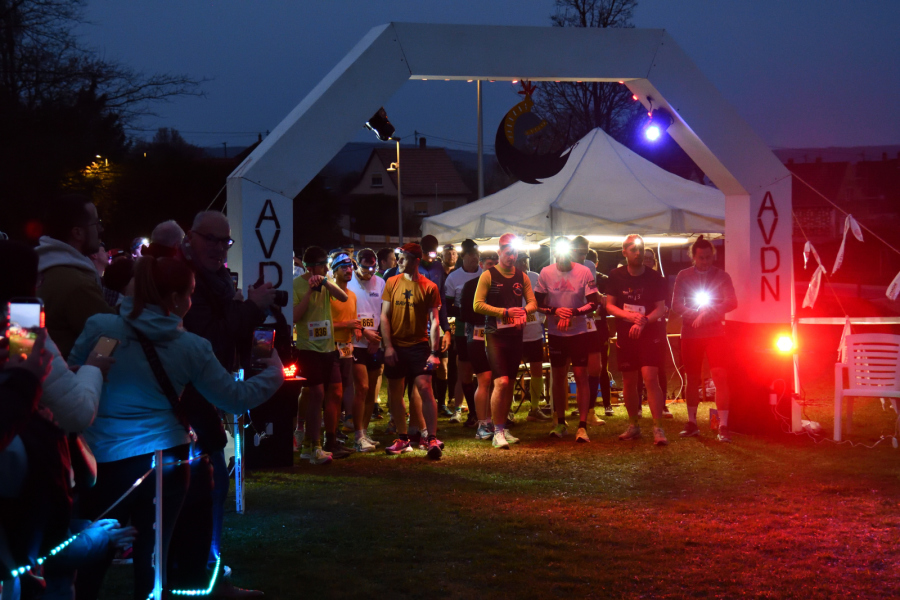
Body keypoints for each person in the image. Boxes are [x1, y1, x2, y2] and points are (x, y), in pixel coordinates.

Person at [69, 256, 283, 600]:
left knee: (92, 555)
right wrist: (274, 373)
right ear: (174, 299)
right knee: (155, 558)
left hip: (104, 459)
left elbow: (74, 375)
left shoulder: (103, 329)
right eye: (190, 294)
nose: (191, 302)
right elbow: (235, 398)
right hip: (165, 460)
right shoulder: (190, 347)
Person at [179, 211, 275, 594]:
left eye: (225, 241)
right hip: (187, 402)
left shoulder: (215, 280)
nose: (219, 248)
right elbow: (209, 340)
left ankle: (204, 572)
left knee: (209, 487)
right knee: (208, 487)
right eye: (211, 239)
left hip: (200, 399)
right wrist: (251, 308)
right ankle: (205, 575)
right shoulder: (189, 281)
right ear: (190, 237)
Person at [472, 234, 537, 449]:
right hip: (495, 335)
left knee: (509, 382)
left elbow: (533, 303)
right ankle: (496, 431)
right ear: (499, 252)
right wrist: (504, 312)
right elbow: (477, 305)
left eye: (514, 253)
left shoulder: (522, 276)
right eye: (508, 253)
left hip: (515, 335)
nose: (511, 257)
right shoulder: (488, 275)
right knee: (501, 382)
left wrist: (523, 312)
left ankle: (503, 426)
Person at [380, 243, 443, 459]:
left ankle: (431, 438)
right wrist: (388, 346)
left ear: (416, 261)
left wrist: (434, 352)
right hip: (396, 345)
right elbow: (384, 316)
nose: (399, 261)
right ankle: (403, 438)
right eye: (399, 257)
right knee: (395, 392)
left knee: (425, 388)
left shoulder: (429, 286)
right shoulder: (392, 282)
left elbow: (435, 321)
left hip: (419, 345)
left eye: (404, 258)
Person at [671, 236, 738, 442]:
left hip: (715, 333)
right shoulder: (684, 275)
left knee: (719, 375)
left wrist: (708, 313)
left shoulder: (722, 276)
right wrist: (695, 314)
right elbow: (676, 304)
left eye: (709, 257)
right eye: (701, 258)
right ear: (693, 257)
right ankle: (692, 423)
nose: (705, 262)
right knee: (692, 377)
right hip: (691, 333)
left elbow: (732, 301)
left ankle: (723, 425)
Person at [535, 239, 602, 443]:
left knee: (581, 375)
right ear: (554, 254)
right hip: (556, 333)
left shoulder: (584, 271)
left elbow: (593, 303)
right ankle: (561, 422)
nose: (564, 256)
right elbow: (537, 303)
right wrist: (556, 311)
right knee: (558, 376)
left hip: (579, 332)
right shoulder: (546, 272)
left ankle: (582, 426)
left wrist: (572, 313)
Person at [606, 234, 669, 446]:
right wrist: (629, 317)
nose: (638, 253)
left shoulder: (655, 277)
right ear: (624, 252)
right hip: (626, 333)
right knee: (629, 380)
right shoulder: (616, 275)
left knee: (650, 377)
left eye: (640, 249)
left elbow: (661, 308)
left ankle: (658, 427)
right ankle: (633, 425)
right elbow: (609, 305)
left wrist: (643, 321)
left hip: (649, 333)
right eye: (633, 249)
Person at [35, 194, 114, 359]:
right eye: (96, 223)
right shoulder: (77, 285)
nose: (101, 230)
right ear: (77, 233)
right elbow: (110, 337)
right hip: (73, 372)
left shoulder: (39, 268)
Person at [293, 245, 349, 464]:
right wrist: (309, 291)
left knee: (332, 392)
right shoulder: (296, 284)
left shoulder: (327, 282)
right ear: (311, 267)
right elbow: (295, 316)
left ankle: (313, 444)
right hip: (308, 348)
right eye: (323, 266)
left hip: (328, 348)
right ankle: (313, 445)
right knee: (316, 394)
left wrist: (325, 282)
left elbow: (343, 297)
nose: (326, 269)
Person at [347, 249, 385, 452]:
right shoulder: (349, 281)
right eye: (365, 268)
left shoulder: (380, 283)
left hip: (374, 342)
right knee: (361, 387)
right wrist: (363, 332)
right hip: (355, 343)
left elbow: (383, 313)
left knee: (371, 390)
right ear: (357, 264)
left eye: (373, 268)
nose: (369, 272)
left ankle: (364, 431)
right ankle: (357, 434)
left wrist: (377, 338)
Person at [460, 251, 499, 440]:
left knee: (495, 380)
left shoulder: (500, 286)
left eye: (495, 264)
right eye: (489, 264)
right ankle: (482, 423)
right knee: (484, 379)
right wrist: (489, 316)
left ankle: (492, 421)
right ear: (481, 264)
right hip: (476, 337)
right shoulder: (470, 285)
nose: (493, 267)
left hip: (497, 337)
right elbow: (465, 314)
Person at [443, 245, 483, 426]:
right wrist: (466, 313)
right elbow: (448, 306)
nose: (475, 258)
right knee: (465, 371)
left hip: (484, 330)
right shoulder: (454, 277)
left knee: (484, 371)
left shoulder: (485, 274)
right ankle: (471, 412)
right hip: (463, 330)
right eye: (471, 254)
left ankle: (484, 412)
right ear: (463, 256)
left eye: (477, 254)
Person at [570, 236, 607, 426]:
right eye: (579, 251)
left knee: (595, 367)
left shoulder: (590, 266)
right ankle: (561, 416)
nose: (582, 255)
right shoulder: (562, 266)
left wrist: (601, 298)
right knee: (576, 371)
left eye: (585, 252)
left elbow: (592, 289)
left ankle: (590, 411)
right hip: (570, 322)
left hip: (589, 321)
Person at [418, 235, 453, 416]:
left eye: (433, 254)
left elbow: (443, 300)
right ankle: (423, 404)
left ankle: (442, 404)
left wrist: (446, 329)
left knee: (443, 366)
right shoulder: (415, 266)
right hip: (419, 326)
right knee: (423, 367)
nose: (430, 258)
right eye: (427, 254)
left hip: (437, 323)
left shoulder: (438, 267)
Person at [329, 252, 360, 456]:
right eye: (344, 267)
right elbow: (323, 324)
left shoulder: (353, 295)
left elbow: (353, 321)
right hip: (330, 347)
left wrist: (357, 330)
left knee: (346, 389)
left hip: (347, 348)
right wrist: (346, 324)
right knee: (333, 393)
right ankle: (328, 435)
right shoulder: (328, 294)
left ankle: (339, 429)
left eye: (350, 267)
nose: (349, 271)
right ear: (334, 271)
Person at [639, 246, 673, 418]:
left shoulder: (660, 280)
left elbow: (667, 303)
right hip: (638, 325)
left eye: (649, 259)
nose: (647, 261)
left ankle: (662, 405)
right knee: (637, 367)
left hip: (657, 328)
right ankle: (637, 405)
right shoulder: (633, 279)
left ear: (654, 262)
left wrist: (661, 310)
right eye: (644, 258)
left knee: (659, 367)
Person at [517, 252, 550, 422]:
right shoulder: (507, 278)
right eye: (521, 261)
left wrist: (541, 319)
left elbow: (544, 299)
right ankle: (507, 411)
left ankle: (535, 408)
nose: (524, 264)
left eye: (526, 261)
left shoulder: (535, 277)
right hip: (515, 332)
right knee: (510, 371)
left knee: (537, 367)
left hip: (534, 332)